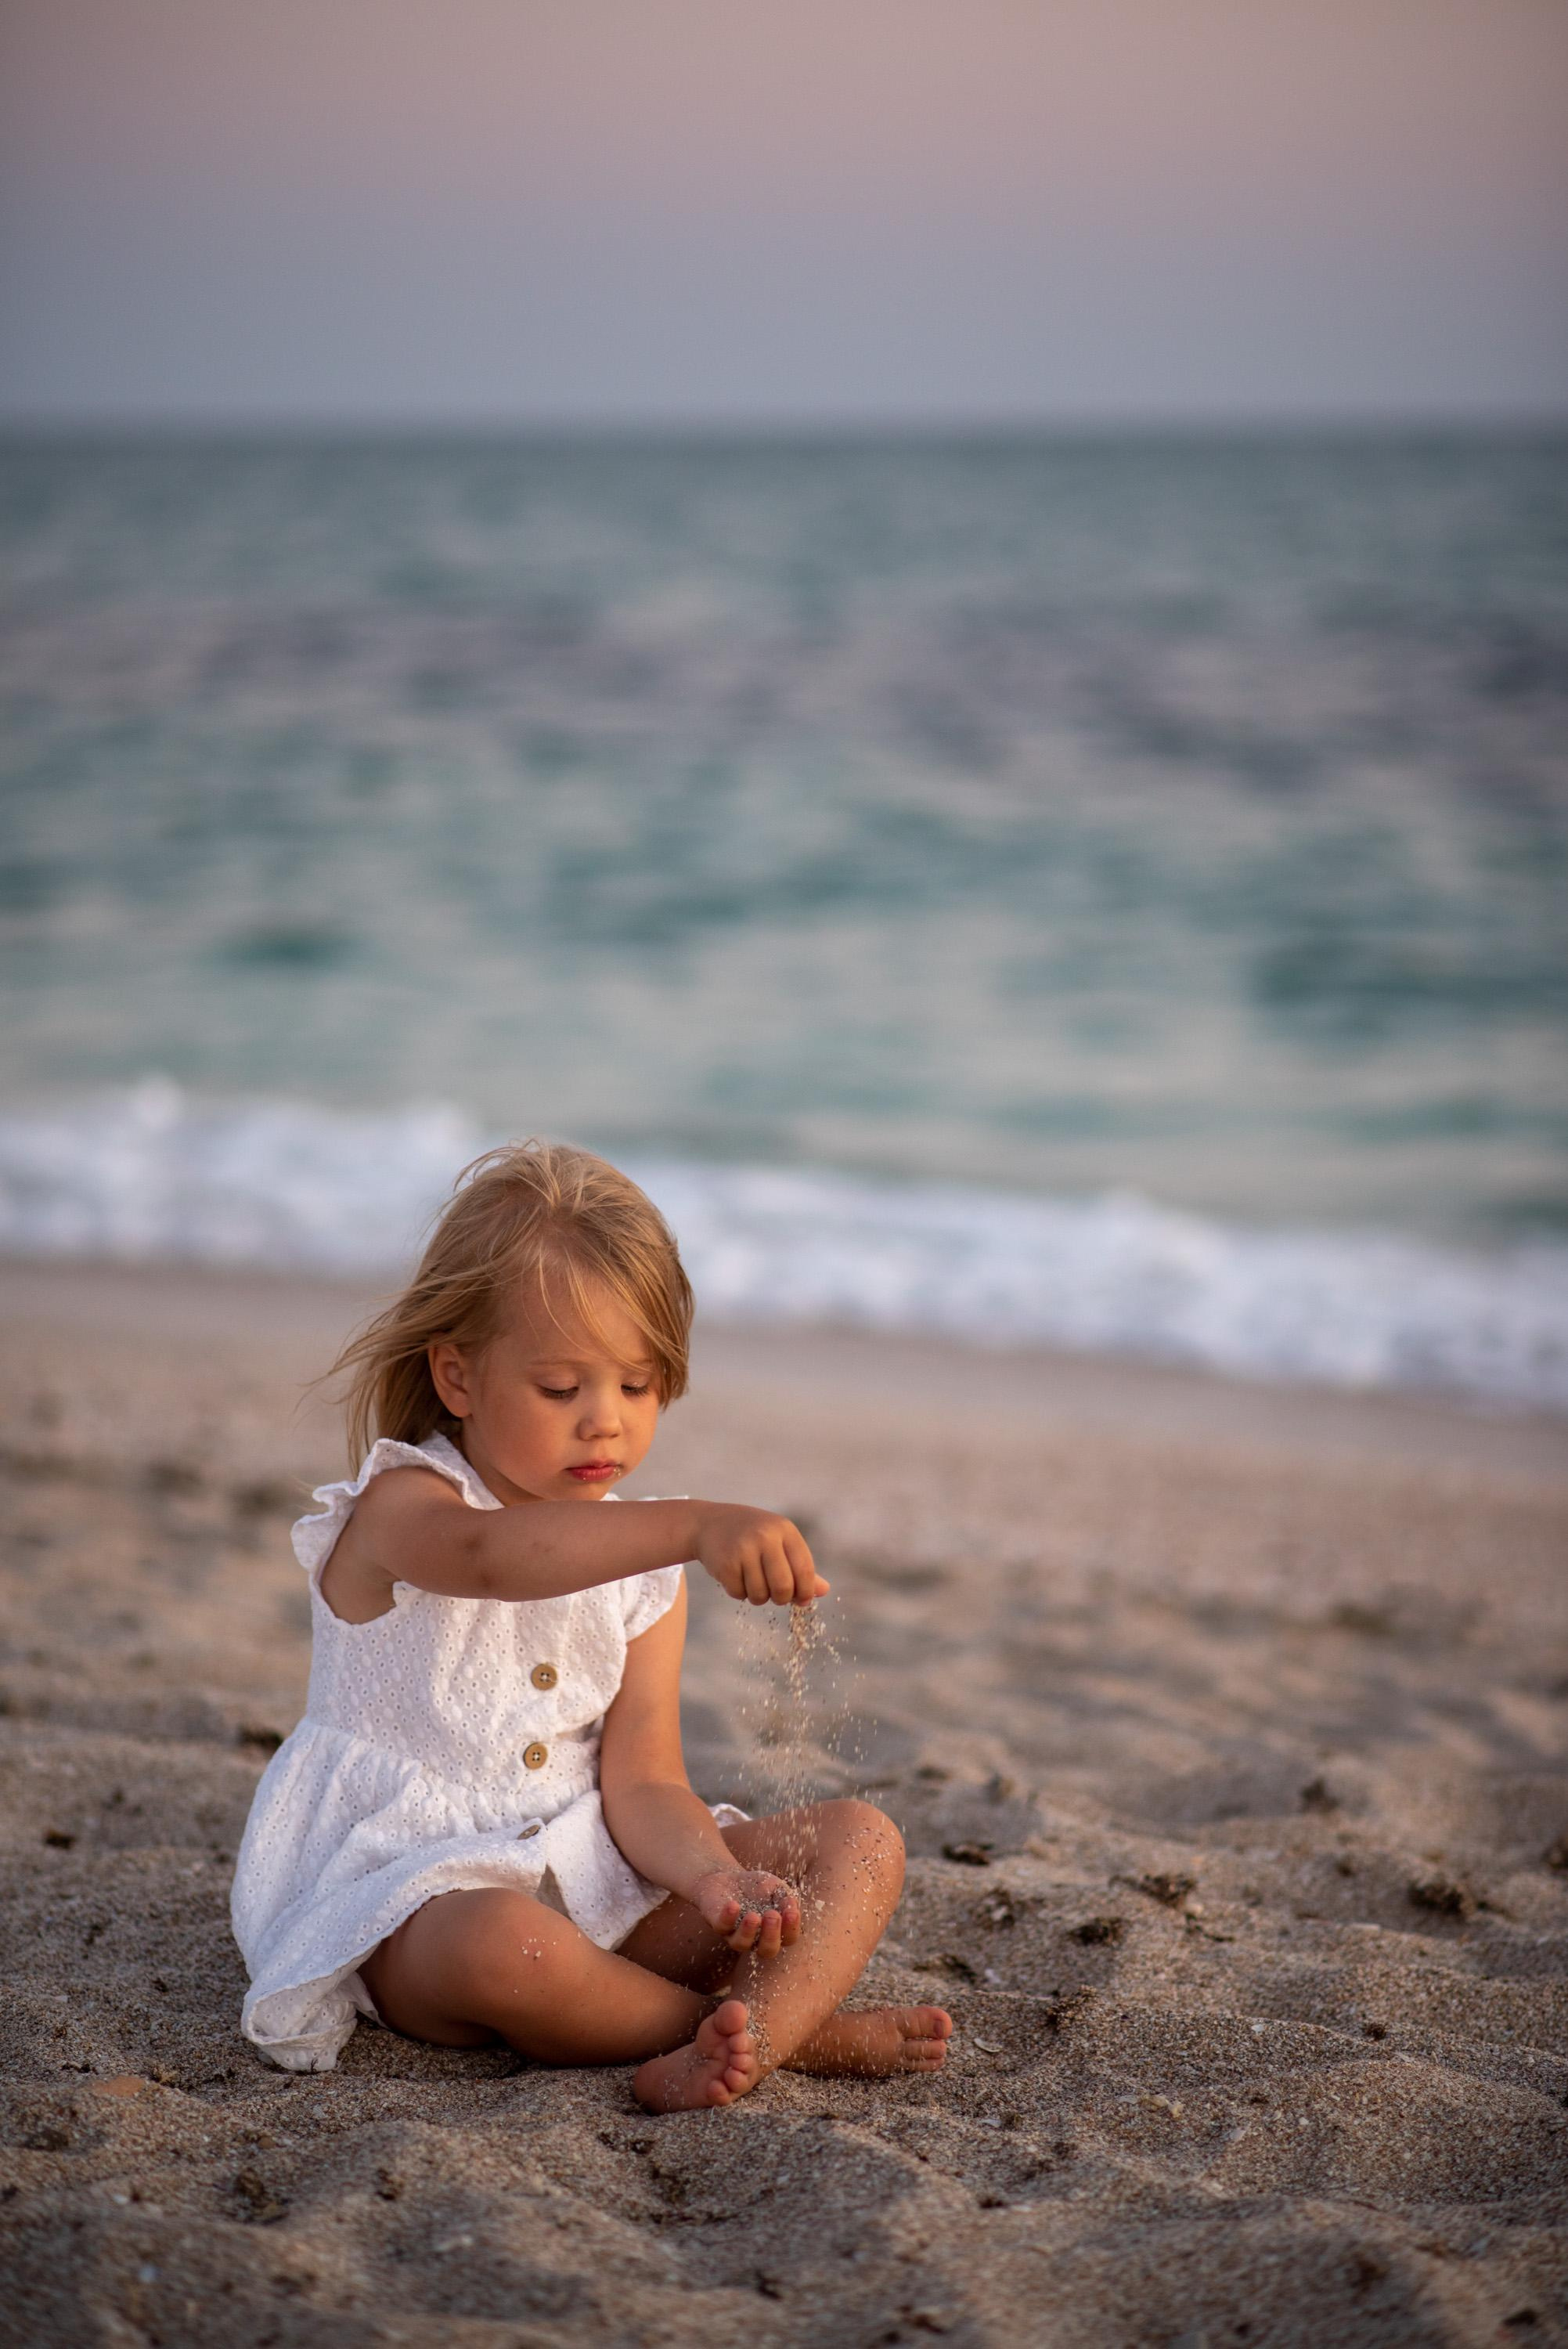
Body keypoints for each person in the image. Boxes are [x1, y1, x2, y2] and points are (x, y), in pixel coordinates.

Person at [231, 1140, 952, 2110]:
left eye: (636, 1386)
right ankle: (800, 2039)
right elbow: (493, 1560)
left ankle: (753, 2033)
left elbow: (644, 1781)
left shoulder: (644, 1574)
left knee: (862, 1840)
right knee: (504, 1943)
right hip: (405, 1902)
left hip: (588, 1881)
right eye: (561, 1389)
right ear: (457, 1378)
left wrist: (711, 1878)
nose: (604, 1421)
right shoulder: (403, 1507)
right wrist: (694, 1524)